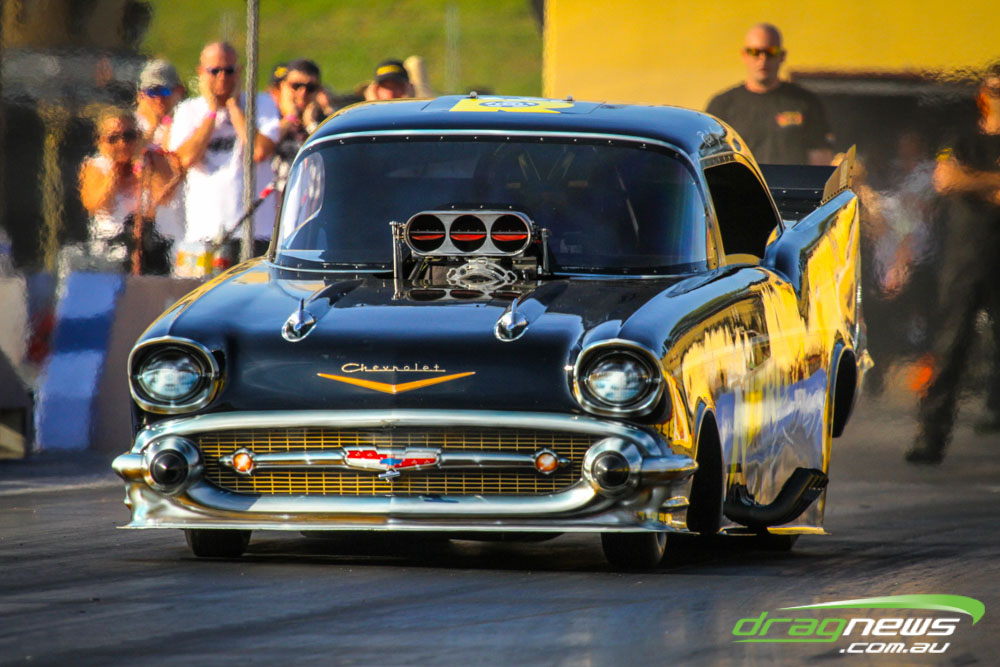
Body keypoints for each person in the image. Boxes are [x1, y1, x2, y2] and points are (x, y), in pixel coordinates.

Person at [907, 62, 1000, 464]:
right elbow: (945, 179)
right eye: (994, 90)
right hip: (965, 261)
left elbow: (960, 180)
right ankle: (931, 436)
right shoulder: (962, 138)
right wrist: (992, 182)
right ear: (983, 95)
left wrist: (973, 180)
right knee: (950, 347)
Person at [168, 42, 280, 260]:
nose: (222, 78)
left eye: (229, 71)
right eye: (214, 71)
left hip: (256, 232)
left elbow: (259, 151)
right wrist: (212, 113)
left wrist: (234, 108)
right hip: (204, 233)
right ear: (201, 72)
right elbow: (185, 159)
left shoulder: (262, 104)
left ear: (239, 72)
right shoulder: (188, 110)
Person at [706, 23, 834, 165]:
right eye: (755, 52)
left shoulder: (805, 102)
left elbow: (820, 160)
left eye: (771, 52)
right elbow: (709, 159)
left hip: (790, 179)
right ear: (744, 55)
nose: (763, 59)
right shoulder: (722, 106)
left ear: (782, 56)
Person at [78, 108, 180, 274]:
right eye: (113, 138)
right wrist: (113, 173)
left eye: (129, 136)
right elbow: (95, 205)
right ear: (101, 141)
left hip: (150, 245)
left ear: (139, 136)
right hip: (110, 246)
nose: (122, 144)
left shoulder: (153, 161)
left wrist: (142, 171)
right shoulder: (96, 166)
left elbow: (165, 198)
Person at [135, 58, 186, 253]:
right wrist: (153, 125)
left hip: (177, 223)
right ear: (141, 95)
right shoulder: (131, 128)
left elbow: (179, 164)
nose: (158, 99)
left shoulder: (185, 122)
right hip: (142, 223)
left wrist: (168, 124)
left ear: (178, 92)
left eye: (165, 92)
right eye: (152, 92)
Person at [272, 59, 330, 194]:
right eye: (296, 86)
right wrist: (289, 119)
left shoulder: (324, 124)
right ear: (282, 87)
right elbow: (261, 151)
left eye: (310, 88)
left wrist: (311, 125)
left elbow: (330, 158)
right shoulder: (269, 118)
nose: (302, 93)